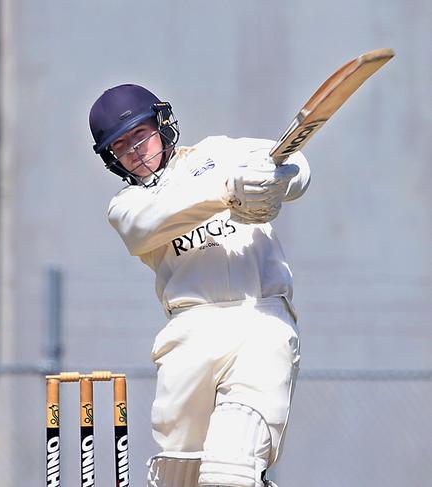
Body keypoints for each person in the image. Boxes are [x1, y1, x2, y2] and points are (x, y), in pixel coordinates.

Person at [89, 84, 310, 487]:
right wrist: (228, 190)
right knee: (180, 475)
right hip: (189, 334)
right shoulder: (127, 205)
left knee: (232, 469)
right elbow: (148, 226)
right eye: (121, 146)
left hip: (260, 320)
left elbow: (296, 164)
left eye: (139, 134)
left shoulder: (220, 153)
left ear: (162, 124)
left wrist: (275, 185)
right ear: (112, 160)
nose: (135, 150)